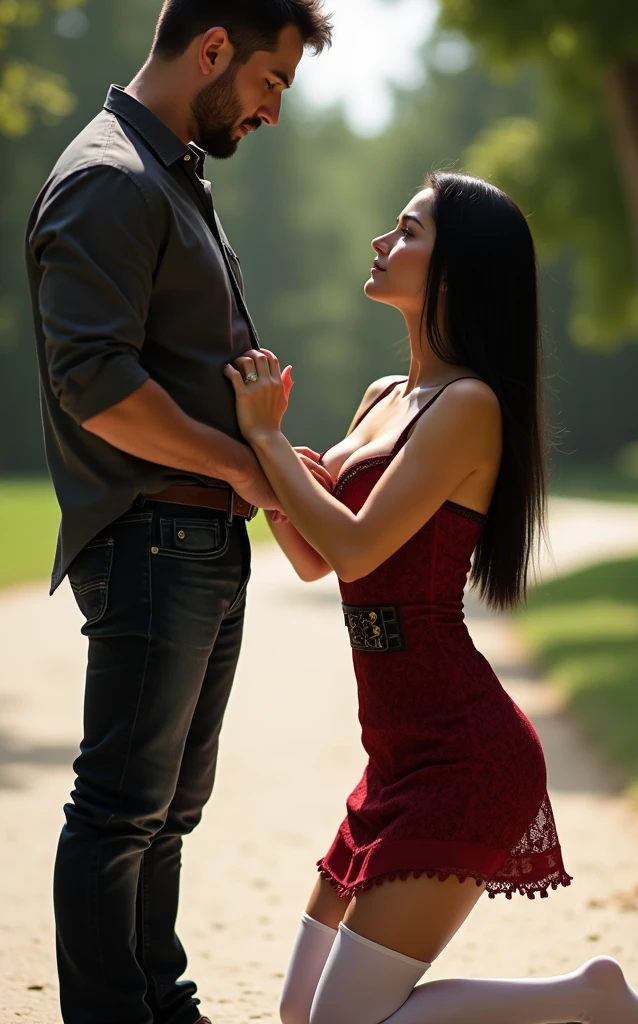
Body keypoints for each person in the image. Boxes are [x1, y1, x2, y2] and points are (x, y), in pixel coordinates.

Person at [225, 173, 638, 1024]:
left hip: (464, 753)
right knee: (300, 1015)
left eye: (405, 230)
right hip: (396, 755)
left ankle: (584, 1001)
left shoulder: (470, 406)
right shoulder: (382, 399)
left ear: (458, 269)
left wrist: (267, 439)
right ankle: (588, 999)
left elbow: (356, 543)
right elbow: (321, 562)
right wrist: (272, 475)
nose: (380, 243)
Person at [24, 2, 332, 1023]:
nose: (272, 111)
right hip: (153, 536)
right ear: (211, 51)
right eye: (268, 83)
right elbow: (94, 382)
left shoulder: (169, 178)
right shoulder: (111, 179)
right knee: (118, 811)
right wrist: (237, 468)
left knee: (165, 816)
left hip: (198, 537)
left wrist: (265, 454)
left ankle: (162, 1001)